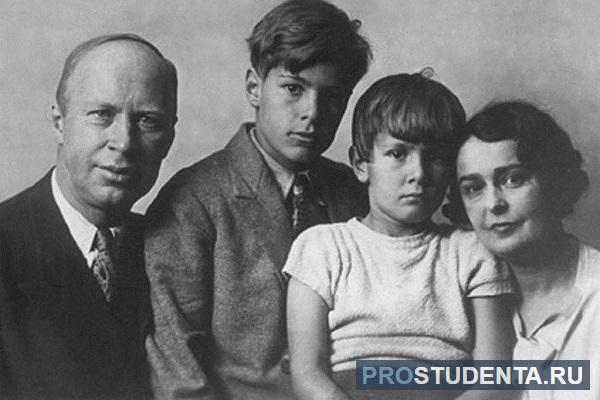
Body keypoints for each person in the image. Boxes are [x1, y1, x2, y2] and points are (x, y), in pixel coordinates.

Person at [143, 1, 371, 399]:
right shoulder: (193, 201)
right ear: (254, 87)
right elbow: (178, 375)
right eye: (294, 88)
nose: (313, 112)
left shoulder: (355, 192)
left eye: (333, 95)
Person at [284, 72, 515, 400]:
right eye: (397, 154)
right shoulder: (321, 248)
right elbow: (307, 374)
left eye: (435, 157)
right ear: (361, 164)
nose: (418, 173)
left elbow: (494, 378)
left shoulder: (472, 251)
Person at [0, 34, 177, 399]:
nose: (124, 142)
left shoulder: (176, 249)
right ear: (59, 122)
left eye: (148, 120)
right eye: (101, 114)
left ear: (169, 138)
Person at [446, 101, 600, 400]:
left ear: (554, 181)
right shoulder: (454, 299)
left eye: (513, 179)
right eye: (473, 188)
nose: (494, 204)